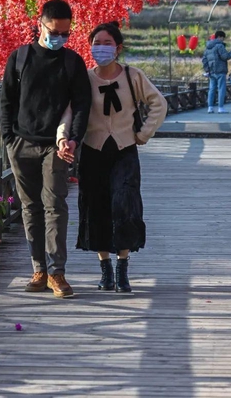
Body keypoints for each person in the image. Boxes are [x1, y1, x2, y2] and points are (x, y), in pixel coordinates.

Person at [65, 22, 167, 293]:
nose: (101, 48)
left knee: (125, 204)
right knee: (96, 206)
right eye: (96, 42)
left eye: (106, 43)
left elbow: (159, 103)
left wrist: (143, 134)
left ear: (118, 48)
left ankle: (123, 268)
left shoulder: (133, 76)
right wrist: (66, 138)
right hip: (93, 150)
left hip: (124, 150)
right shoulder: (85, 78)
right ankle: (105, 270)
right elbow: (71, 111)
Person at [0, 0, 92, 299]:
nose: (60, 39)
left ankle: (56, 272)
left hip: (56, 146)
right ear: (40, 24)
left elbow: (81, 106)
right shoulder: (19, 58)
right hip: (22, 143)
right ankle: (38, 268)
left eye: (65, 34)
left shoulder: (72, 62)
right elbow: (7, 102)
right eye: (55, 32)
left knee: (55, 208)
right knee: (30, 208)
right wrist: (8, 139)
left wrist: (74, 139)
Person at [203, 30, 231, 113]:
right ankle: (220, 107)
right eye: (223, 38)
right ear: (220, 37)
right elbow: (225, 57)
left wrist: (207, 69)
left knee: (212, 89)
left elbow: (204, 60)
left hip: (211, 71)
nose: (223, 40)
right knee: (221, 88)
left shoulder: (208, 47)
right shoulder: (219, 46)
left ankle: (210, 107)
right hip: (220, 70)